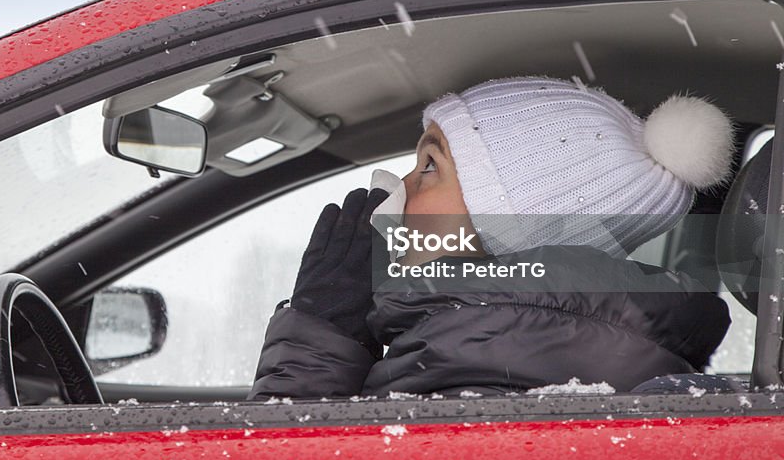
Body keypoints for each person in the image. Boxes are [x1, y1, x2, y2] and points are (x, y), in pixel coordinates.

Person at [249, 76, 734, 398]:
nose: (399, 187)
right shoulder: (495, 362)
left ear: (515, 228)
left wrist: (317, 343)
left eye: (430, 166)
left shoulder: (480, 390)